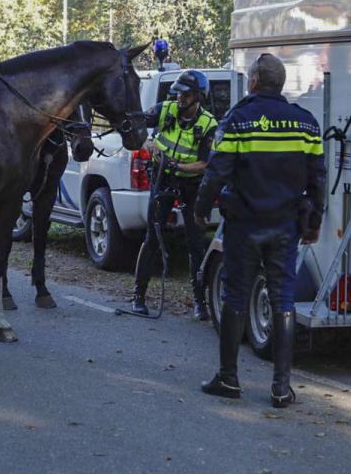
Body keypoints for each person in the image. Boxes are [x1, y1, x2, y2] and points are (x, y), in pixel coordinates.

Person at [193, 53, 326, 408]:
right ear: (280, 84)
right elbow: (318, 180)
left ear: (253, 82)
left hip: (244, 226)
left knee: (235, 298)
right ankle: (281, 388)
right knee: (284, 300)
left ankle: (229, 379)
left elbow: (216, 173)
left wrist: (200, 210)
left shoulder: (237, 121)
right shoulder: (305, 124)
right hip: (285, 227)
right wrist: (314, 224)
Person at [130, 70, 218, 320]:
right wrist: (144, 141)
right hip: (163, 181)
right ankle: (138, 296)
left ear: (199, 97)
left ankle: (200, 303)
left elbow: (204, 164)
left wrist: (176, 166)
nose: (179, 98)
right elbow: (136, 122)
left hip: (192, 186)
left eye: (186, 94)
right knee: (152, 239)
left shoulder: (209, 125)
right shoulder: (165, 109)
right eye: (178, 93)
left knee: (196, 243)